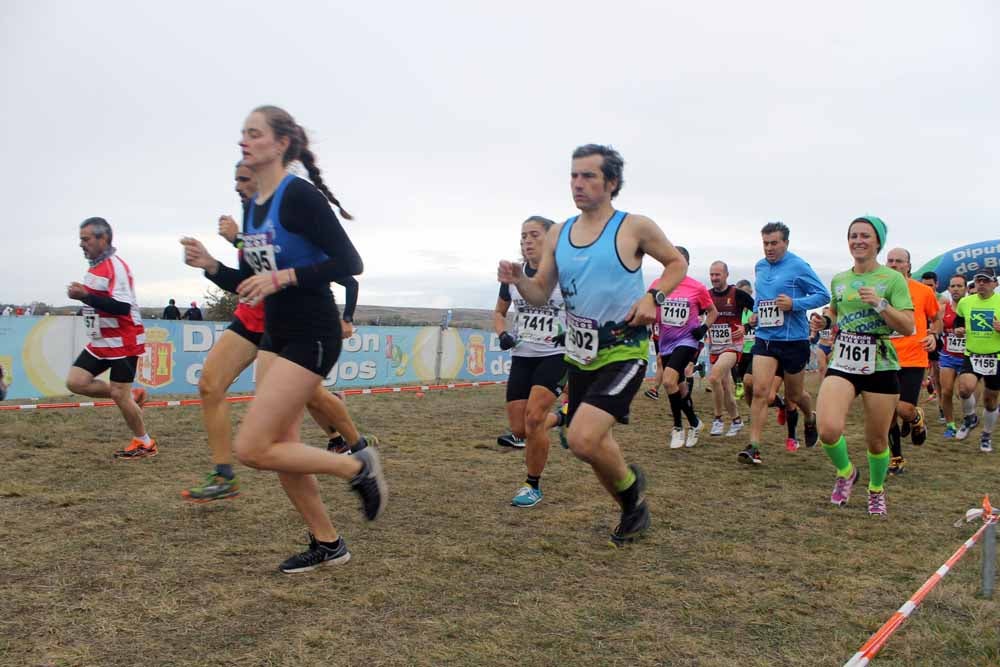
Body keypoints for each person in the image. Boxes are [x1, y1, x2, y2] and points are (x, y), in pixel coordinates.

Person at [181, 105, 386, 573]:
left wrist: (285, 278)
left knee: (253, 448)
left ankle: (358, 466)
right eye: (242, 133)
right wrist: (211, 266)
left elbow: (349, 264)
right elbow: (254, 282)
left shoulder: (299, 197)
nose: (243, 141)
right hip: (275, 333)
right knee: (281, 449)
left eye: (253, 134)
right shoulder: (254, 207)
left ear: (280, 144)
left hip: (312, 333)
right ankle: (328, 543)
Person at [498, 143, 686, 545]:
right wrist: (518, 279)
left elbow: (676, 263)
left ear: (611, 182)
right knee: (591, 444)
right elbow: (539, 292)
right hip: (580, 353)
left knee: (583, 438)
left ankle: (632, 491)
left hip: (623, 348)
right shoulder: (559, 233)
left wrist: (654, 297)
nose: (577, 184)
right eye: (573, 175)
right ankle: (632, 508)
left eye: (588, 176)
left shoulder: (634, 226)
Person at [182, 162, 374, 504]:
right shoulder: (251, 225)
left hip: (291, 324)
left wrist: (344, 315)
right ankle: (224, 474)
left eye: (244, 179)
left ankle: (357, 449)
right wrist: (211, 265)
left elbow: (346, 270)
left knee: (309, 403)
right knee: (210, 384)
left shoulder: (289, 212)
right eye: (236, 181)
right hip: (253, 319)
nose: (238, 187)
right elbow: (243, 283)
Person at [814, 216, 914, 516]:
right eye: (853, 235)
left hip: (881, 363)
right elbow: (834, 309)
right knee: (828, 429)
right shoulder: (840, 279)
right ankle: (846, 472)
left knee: (877, 439)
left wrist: (881, 305)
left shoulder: (893, 280)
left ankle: (875, 489)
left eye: (865, 236)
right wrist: (825, 320)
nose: (858, 240)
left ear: (877, 242)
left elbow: (908, 326)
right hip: (844, 359)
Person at [65, 217, 156, 458]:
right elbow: (96, 302)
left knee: (118, 394)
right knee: (76, 382)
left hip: (124, 341)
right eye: (80, 240)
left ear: (103, 239)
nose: (81, 244)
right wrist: (85, 301)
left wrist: (85, 296)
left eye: (86, 239)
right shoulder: (94, 267)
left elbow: (122, 308)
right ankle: (133, 395)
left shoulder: (116, 267)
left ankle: (144, 442)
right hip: (101, 341)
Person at [494, 216, 568, 507]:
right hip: (523, 355)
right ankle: (563, 418)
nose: (526, 240)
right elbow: (499, 312)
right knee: (520, 429)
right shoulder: (513, 275)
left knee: (535, 418)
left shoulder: (565, 274)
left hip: (556, 354)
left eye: (534, 234)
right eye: (523, 235)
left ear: (551, 241)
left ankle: (532, 485)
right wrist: (502, 334)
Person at [739, 222, 828, 465]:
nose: (769, 248)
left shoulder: (798, 266)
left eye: (774, 243)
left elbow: (823, 294)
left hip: (794, 340)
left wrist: (794, 304)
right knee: (759, 391)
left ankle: (810, 417)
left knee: (794, 395)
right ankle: (754, 446)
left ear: (786, 243)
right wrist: (756, 313)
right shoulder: (760, 266)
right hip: (766, 338)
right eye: (765, 243)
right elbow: (761, 297)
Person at [884, 247, 940, 475]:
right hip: (884, 357)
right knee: (886, 411)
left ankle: (915, 418)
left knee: (903, 409)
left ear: (909, 265)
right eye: (890, 260)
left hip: (913, 357)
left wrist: (933, 335)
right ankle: (896, 457)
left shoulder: (923, 292)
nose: (894, 264)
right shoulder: (880, 291)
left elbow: (936, 320)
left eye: (899, 261)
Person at [653, 247, 716, 448]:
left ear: (685, 265)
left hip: (687, 340)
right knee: (679, 388)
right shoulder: (657, 285)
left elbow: (713, 312)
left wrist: (704, 328)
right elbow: (653, 312)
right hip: (666, 342)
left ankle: (678, 428)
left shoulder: (697, 288)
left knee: (669, 381)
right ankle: (695, 423)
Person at [954, 267, 1000, 453]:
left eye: (986, 281)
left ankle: (986, 434)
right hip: (972, 354)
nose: (981, 284)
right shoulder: (965, 302)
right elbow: (958, 321)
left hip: (996, 357)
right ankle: (970, 417)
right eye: (978, 280)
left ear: (995, 284)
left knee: (990, 402)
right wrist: (958, 329)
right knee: (964, 390)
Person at [707, 261, 753, 437]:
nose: (714, 278)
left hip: (733, 345)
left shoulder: (738, 294)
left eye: (717, 274)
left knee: (714, 377)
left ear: (726, 275)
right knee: (725, 386)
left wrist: (746, 326)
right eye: (711, 275)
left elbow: (757, 310)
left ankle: (718, 419)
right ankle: (736, 420)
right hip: (715, 346)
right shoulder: (707, 295)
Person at [939, 274, 968, 438]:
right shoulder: (943, 309)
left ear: (965, 288)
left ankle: (968, 419)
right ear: (949, 289)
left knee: (963, 393)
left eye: (959, 286)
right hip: (948, 356)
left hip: (967, 357)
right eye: (953, 286)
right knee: (946, 391)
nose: (956, 289)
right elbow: (936, 328)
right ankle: (950, 425)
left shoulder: (972, 307)